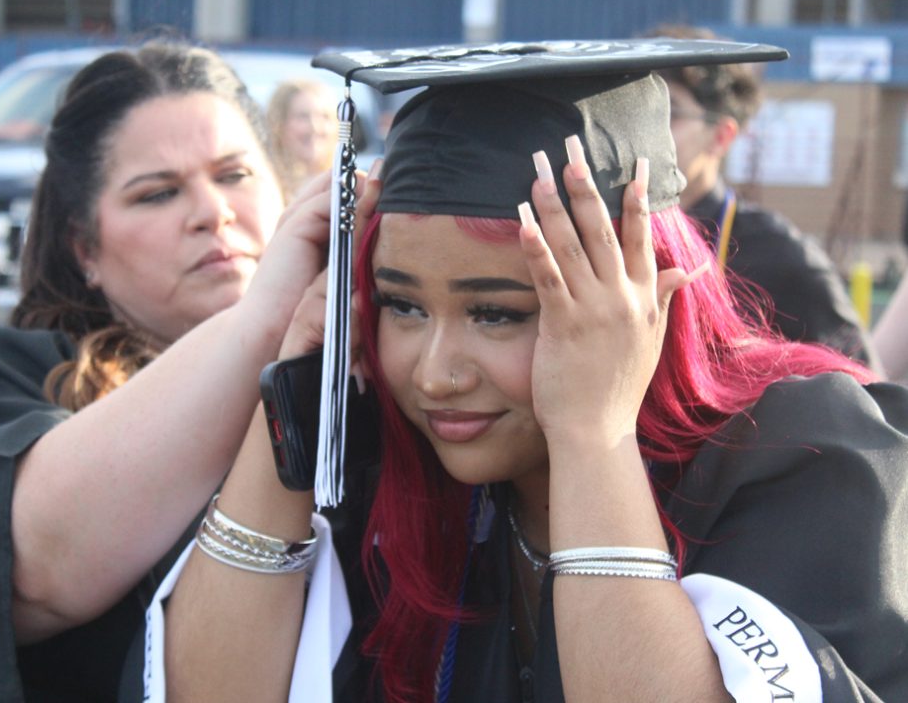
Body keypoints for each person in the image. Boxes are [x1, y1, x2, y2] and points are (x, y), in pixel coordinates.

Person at [147, 40, 908, 702]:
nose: (437, 375)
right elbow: (213, 692)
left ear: (648, 303)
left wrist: (591, 435)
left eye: (498, 313)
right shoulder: (400, 462)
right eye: (401, 305)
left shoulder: (806, 455)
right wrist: (295, 367)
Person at [0, 41, 350, 702]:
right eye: (157, 194)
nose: (212, 211)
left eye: (234, 174)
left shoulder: (365, 364)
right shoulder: (17, 378)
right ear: (85, 248)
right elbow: (28, 568)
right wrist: (261, 326)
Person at [645, 24, 880, 371]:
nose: (646, 131)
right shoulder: (605, 232)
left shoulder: (780, 257)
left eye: (669, 113)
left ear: (722, 137)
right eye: (638, 113)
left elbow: (867, 391)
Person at [266, 78, 339, 201]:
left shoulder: (348, 185)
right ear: (279, 124)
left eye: (325, 117)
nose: (315, 127)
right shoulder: (267, 186)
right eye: (303, 117)